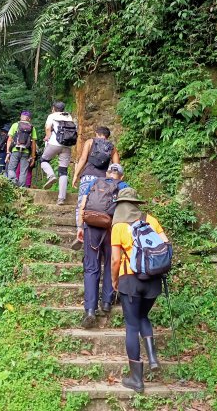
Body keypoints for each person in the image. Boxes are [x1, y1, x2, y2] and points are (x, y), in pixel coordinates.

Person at [111, 188, 170, 394]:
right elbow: (166, 245)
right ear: (136, 203)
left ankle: (136, 379)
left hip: (130, 281)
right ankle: (152, 357)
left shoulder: (118, 226)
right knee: (143, 315)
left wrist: (114, 281)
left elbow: (115, 260)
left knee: (131, 324)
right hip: (153, 280)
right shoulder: (150, 220)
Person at [76, 164, 128, 328]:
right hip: (112, 227)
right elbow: (127, 211)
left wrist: (80, 226)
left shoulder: (95, 182)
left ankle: (90, 310)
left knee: (91, 267)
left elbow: (83, 205)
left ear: (107, 173)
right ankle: (106, 301)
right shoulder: (123, 186)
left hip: (91, 225)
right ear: (121, 176)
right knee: (111, 262)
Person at [71, 126, 120, 249]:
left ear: (97, 133)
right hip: (102, 180)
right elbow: (116, 166)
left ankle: (80, 229)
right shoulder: (112, 147)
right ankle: (99, 231)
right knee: (100, 204)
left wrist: (76, 175)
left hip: (87, 177)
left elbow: (83, 159)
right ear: (107, 136)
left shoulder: (90, 142)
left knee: (82, 204)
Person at [40, 101, 77, 204]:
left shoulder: (52, 116)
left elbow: (48, 128)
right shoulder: (69, 116)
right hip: (67, 145)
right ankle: (61, 198)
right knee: (63, 170)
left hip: (54, 143)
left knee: (44, 160)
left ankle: (51, 176)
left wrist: (47, 137)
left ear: (54, 108)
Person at [6, 111, 37, 187]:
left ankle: (13, 180)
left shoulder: (15, 125)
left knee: (11, 169)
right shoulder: (32, 128)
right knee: (24, 171)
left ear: (21, 117)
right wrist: (33, 157)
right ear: (29, 119)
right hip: (26, 152)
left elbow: (9, 139)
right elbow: (33, 144)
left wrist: (8, 152)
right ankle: (22, 189)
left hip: (15, 150)